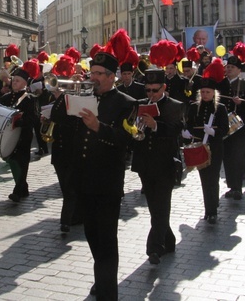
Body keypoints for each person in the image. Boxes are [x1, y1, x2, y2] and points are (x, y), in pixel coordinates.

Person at [78, 39, 136, 300]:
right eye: (92, 73)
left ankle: (107, 291)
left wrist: (98, 127)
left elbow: (126, 140)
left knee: (107, 239)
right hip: (85, 178)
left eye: (99, 74)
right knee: (91, 233)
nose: (94, 77)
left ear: (112, 77)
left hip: (108, 180)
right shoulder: (83, 97)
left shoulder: (125, 103)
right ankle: (100, 278)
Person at [131, 68, 183, 264]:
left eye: (154, 90)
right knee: (154, 206)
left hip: (165, 164)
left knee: (162, 205)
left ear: (164, 88)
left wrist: (155, 125)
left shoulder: (175, 106)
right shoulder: (140, 104)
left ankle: (155, 248)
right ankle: (168, 240)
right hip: (145, 163)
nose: (151, 94)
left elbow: (176, 129)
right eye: (148, 91)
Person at [185, 58, 227, 224]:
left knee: (213, 178)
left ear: (214, 93)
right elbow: (189, 123)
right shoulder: (195, 106)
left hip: (215, 147)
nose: (205, 95)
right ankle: (208, 209)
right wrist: (186, 132)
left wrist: (214, 132)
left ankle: (213, 210)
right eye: (202, 92)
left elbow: (224, 128)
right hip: (200, 148)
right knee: (204, 179)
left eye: (208, 92)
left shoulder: (220, 108)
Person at [47, 55, 84, 234]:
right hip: (60, 150)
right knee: (67, 186)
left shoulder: (74, 95)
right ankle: (76, 215)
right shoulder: (59, 98)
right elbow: (55, 116)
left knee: (70, 187)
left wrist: (73, 90)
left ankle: (66, 221)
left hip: (72, 148)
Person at [0, 60, 40, 202]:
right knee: (12, 160)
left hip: (23, 136)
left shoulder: (30, 99)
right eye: (14, 80)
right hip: (9, 136)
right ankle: (23, 187)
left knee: (22, 161)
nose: (14, 82)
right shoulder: (6, 97)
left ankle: (18, 191)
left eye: (18, 80)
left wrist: (19, 122)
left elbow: (33, 118)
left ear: (25, 83)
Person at [218, 53, 245, 196]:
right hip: (224, 126)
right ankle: (231, 185)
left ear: (239, 70)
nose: (230, 69)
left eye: (233, 67)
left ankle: (238, 187)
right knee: (227, 157)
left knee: (238, 156)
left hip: (238, 127)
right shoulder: (220, 85)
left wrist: (241, 104)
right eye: (228, 67)